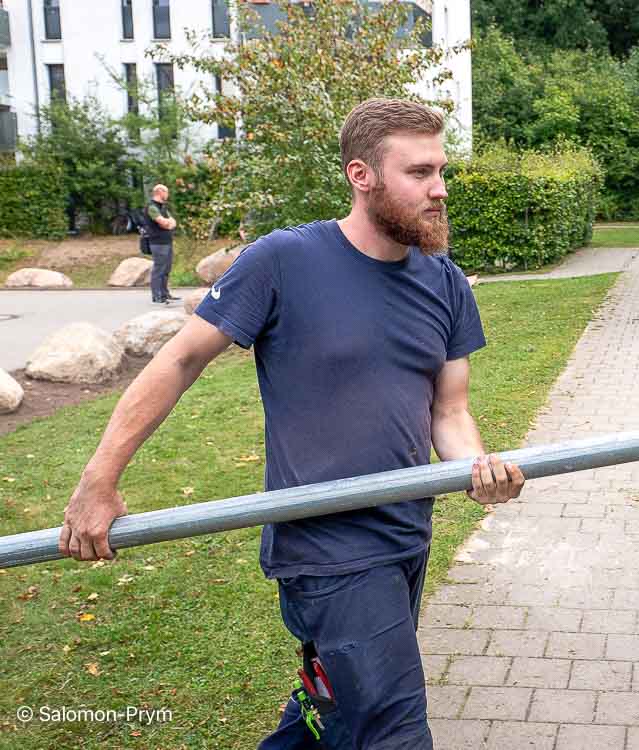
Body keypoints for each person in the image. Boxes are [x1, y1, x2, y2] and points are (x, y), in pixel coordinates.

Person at [57, 98, 525, 749]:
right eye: (419, 172)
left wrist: (476, 467)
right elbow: (181, 359)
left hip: (405, 535)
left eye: (441, 170)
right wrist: (99, 478)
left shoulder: (443, 281)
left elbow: (449, 411)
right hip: (327, 550)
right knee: (394, 730)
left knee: (333, 710)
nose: (440, 189)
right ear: (362, 175)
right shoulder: (285, 260)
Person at [145, 183, 180, 304]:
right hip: (158, 242)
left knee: (166, 269)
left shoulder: (163, 207)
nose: (168, 195)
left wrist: (168, 223)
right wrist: (167, 223)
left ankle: (165, 294)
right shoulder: (152, 207)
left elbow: (172, 222)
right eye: (166, 192)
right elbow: (163, 223)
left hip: (167, 241)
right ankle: (157, 296)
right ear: (160, 192)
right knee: (159, 269)